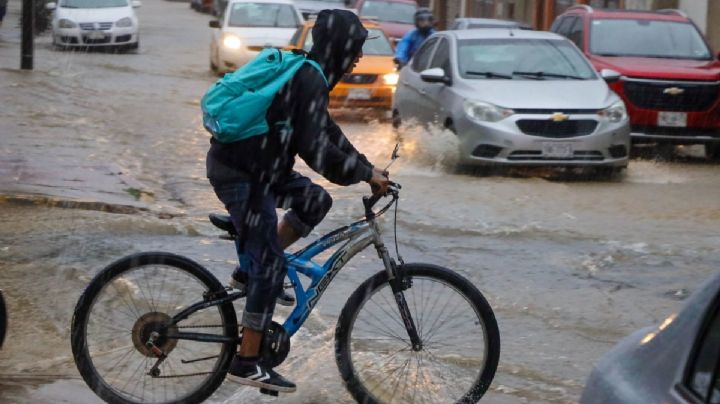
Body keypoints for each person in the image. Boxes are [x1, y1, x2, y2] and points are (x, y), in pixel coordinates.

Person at [206, 9, 391, 394]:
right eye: (355, 47)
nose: (357, 56)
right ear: (339, 47)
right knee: (272, 266)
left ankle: (248, 274)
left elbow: (328, 132)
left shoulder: (313, 76)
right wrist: (360, 174)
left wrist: (370, 168)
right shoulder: (308, 79)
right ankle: (247, 361)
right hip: (241, 174)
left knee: (314, 200)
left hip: (263, 170)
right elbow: (316, 151)